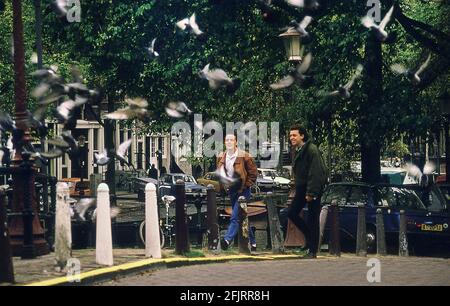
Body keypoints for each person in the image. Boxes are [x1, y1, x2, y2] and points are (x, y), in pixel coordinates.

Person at [288, 124, 328, 258]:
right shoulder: (299, 149)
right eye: (290, 135)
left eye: (294, 135)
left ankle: (313, 251)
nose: (291, 138)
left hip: (311, 188)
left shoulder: (312, 150)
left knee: (312, 218)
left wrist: (311, 193)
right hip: (302, 187)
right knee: (292, 212)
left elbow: (316, 173)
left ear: (302, 136)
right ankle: (309, 238)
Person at [218, 133, 258, 251]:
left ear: (236, 142)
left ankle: (227, 240)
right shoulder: (222, 157)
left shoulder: (244, 156)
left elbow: (253, 173)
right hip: (232, 190)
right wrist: (224, 187)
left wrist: (246, 185)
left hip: (243, 191)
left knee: (235, 216)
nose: (229, 142)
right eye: (227, 140)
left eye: (231, 140)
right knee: (242, 216)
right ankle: (253, 243)